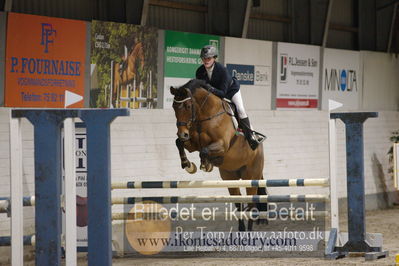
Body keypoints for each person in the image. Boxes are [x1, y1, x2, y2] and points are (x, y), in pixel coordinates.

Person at [195, 45, 263, 150]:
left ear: (214, 58)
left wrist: (210, 89)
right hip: (214, 93)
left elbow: (222, 93)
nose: (206, 60)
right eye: (204, 58)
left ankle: (251, 136)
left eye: (208, 58)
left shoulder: (222, 70)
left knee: (240, 109)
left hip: (231, 91)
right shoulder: (200, 71)